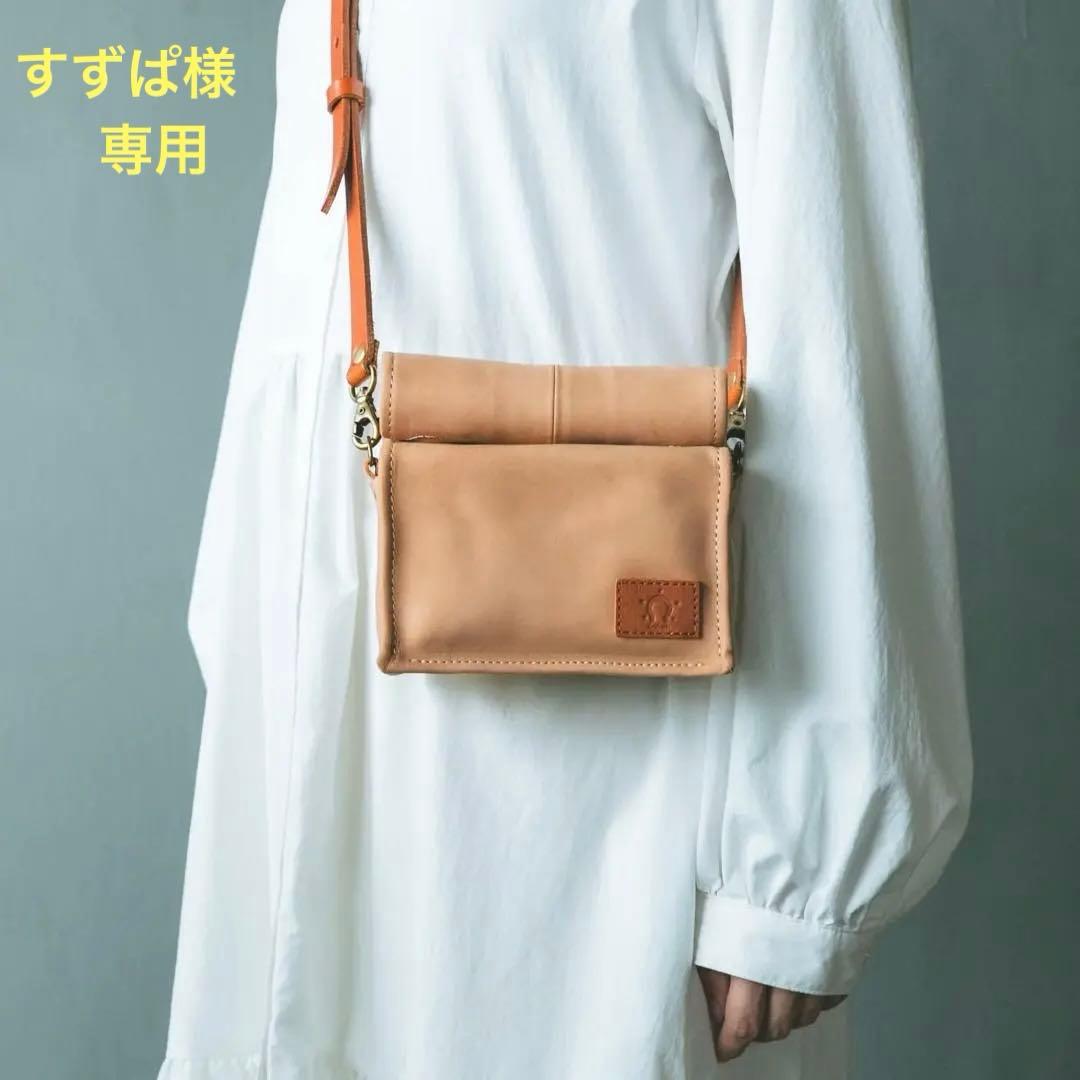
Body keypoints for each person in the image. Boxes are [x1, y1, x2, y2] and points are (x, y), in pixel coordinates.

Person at [158, 1, 973, 1076]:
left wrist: (796, 865)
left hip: (602, 785)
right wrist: (246, 649)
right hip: (317, 743)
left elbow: (841, 304)